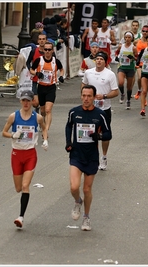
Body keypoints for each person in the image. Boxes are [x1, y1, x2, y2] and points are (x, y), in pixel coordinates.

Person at [65, 85, 112, 231]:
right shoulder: (74, 112)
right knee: (74, 187)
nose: (86, 99)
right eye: (84, 96)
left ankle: (86, 217)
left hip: (91, 156)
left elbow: (108, 134)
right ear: (81, 96)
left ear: (94, 97)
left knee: (87, 189)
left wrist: (97, 136)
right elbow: (68, 126)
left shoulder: (100, 114)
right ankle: (77, 201)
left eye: (89, 96)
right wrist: (68, 142)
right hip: (77, 155)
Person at [2, 90, 48, 228]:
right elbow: (3, 132)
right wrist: (13, 135)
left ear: (32, 101)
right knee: (18, 188)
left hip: (30, 155)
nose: (26, 103)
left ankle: (21, 217)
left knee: (25, 186)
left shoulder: (38, 117)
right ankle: (22, 200)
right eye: (24, 100)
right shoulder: (13, 116)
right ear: (20, 101)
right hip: (16, 154)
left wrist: (45, 140)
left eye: (28, 100)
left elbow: (44, 128)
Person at [81, 51, 119, 170]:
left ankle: (104, 156)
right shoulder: (88, 72)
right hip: (90, 108)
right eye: (97, 59)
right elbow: (83, 85)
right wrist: (85, 97)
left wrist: (104, 96)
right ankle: (92, 157)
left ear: (105, 61)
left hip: (104, 108)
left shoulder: (110, 74)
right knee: (90, 133)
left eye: (101, 59)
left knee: (105, 135)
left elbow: (115, 91)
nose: (98, 61)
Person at [30, 41, 64, 131]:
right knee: (43, 110)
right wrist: (37, 73)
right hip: (41, 87)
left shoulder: (55, 61)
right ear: (43, 50)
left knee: (48, 109)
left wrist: (61, 76)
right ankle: (42, 124)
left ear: (52, 50)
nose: (47, 51)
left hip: (51, 87)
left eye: (49, 49)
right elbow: (31, 70)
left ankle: (46, 130)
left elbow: (61, 69)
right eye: (46, 49)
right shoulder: (39, 60)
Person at [115, 32, 137, 107]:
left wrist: (133, 58)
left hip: (130, 68)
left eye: (129, 37)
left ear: (131, 38)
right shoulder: (121, 46)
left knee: (129, 86)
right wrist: (117, 57)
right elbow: (116, 53)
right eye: (126, 37)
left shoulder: (133, 48)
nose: (127, 39)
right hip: (121, 67)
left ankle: (128, 100)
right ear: (124, 38)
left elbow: (137, 58)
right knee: (120, 82)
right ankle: (122, 94)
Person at [27, 33, 47, 112]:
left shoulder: (49, 52)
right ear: (38, 41)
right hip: (35, 78)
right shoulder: (34, 51)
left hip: (46, 80)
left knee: (43, 104)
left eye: (43, 39)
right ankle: (37, 108)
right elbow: (28, 62)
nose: (42, 41)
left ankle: (42, 117)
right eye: (40, 39)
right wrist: (32, 71)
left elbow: (55, 63)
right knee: (35, 103)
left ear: (46, 40)